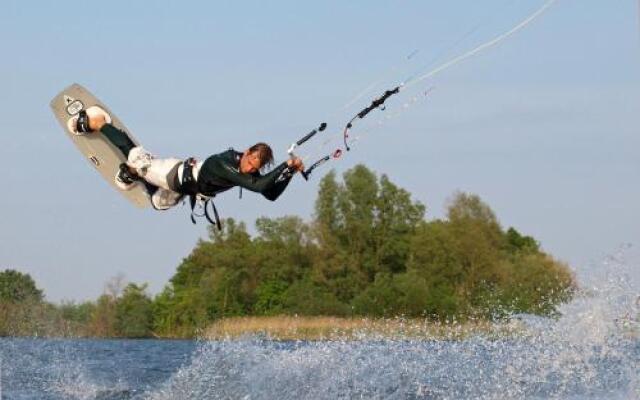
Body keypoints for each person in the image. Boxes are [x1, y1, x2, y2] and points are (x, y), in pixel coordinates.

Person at [74, 109, 304, 223]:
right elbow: (260, 186)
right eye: (251, 159)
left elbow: (270, 193)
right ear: (246, 152)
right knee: (137, 158)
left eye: (256, 166)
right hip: (174, 174)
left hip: (185, 190)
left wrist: (290, 172)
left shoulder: (245, 173)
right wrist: (287, 164)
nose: (251, 167)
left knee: (158, 204)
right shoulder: (225, 164)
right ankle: (98, 123)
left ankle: (135, 175)